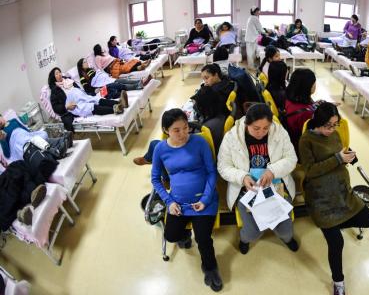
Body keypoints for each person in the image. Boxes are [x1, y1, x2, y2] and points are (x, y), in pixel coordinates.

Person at [299, 102, 369, 295]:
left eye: (335, 124)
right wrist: (337, 159)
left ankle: (333, 225)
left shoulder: (334, 134)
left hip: (342, 193)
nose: (332, 129)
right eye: (328, 125)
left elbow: (340, 150)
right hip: (321, 199)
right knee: (337, 243)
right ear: (318, 122)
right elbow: (309, 172)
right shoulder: (306, 140)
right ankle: (338, 282)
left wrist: (349, 155)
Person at [151, 109, 222, 291]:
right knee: (171, 235)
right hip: (178, 202)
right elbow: (155, 179)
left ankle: (210, 268)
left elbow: (211, 172)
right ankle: (184, 235)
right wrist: (169, 201)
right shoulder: (160, 149)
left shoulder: (199, 142)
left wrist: (206, 199)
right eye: (177, 130)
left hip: (204, 202)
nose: (183, 134)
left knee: (203, 238)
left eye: (185, 128)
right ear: (166, 130)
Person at [217, 103, 298, 254]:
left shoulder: (279, 132)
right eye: (256, 128)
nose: (261, 133)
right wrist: (242, 177)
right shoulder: (232, 137)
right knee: (252, 232)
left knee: (285, 230)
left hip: (275, 187)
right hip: (247, 190)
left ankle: (287, 239)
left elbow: (291, 159)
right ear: (247, 124)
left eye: (265, 128)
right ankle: (244, 240)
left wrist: (272, 171)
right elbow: (223, 167)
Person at [48, 67, 126, 131]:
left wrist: (88, 94)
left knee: (95, 99)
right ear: (53, 77)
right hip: (74, 105)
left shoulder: (69, 81)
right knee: (89, 107)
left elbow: (78, 90)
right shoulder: (55, 90)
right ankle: (115, 109)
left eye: (60, 72)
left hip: (81, 96)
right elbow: (56, 108)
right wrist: (66, 107)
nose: (59, 74)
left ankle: (118, 103)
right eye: (56, 73)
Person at [285, 68, 319, 154]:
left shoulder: (290, 98)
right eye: (314, 83)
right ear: (307, 86)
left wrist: (319, 104)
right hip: (303, 147)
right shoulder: (306, 114)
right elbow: (314, 136)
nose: (315, 85)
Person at [77, 58, 147, 98]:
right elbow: (87, 89)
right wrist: (95, 90)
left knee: (120, 80)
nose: (87, 63)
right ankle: (137, 86)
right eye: (84, 62)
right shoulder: (83, 78)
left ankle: (139, 81)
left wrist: (106, 76)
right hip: (100, 87)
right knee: (117, 84)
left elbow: (99, 75)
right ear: (81, 66)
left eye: (86, 61)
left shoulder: (91, 70)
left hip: (105, 81)